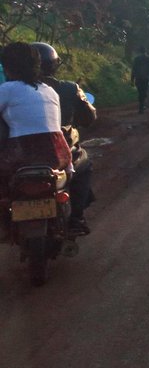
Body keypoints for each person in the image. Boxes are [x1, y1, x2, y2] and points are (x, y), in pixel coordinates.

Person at [33, 42, 98, 235]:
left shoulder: (10, 90)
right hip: (60, 153)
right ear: (53, 65)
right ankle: (76, 217)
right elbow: (89, 118)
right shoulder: (69, 89)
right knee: (84, 165)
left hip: (21, 153)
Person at [0, 43, 72, 207]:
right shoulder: (50, 91)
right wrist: (69, 167)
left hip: (20, 156)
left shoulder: (6, 90)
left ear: (7, 68)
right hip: (57, 156)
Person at [130, 46, 149, 113]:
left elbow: (133, 70)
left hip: (138, 78)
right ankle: (142, 106)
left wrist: (132, 80)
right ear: (145, 51)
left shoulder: (136, 59)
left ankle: (141, 106)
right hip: (146, 78)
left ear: (139, 51)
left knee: (140, 92)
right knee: (144, 92)